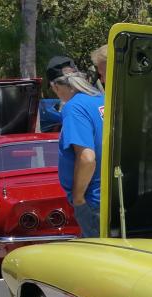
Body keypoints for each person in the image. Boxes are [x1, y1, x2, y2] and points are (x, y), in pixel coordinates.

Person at [48, 66, 104, 238]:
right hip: (112, 195)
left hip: (92, 200)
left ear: (56, 87)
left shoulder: (74, 108)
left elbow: (87, 158)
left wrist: (78, 198)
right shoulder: (102, 100)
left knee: (99, 259)